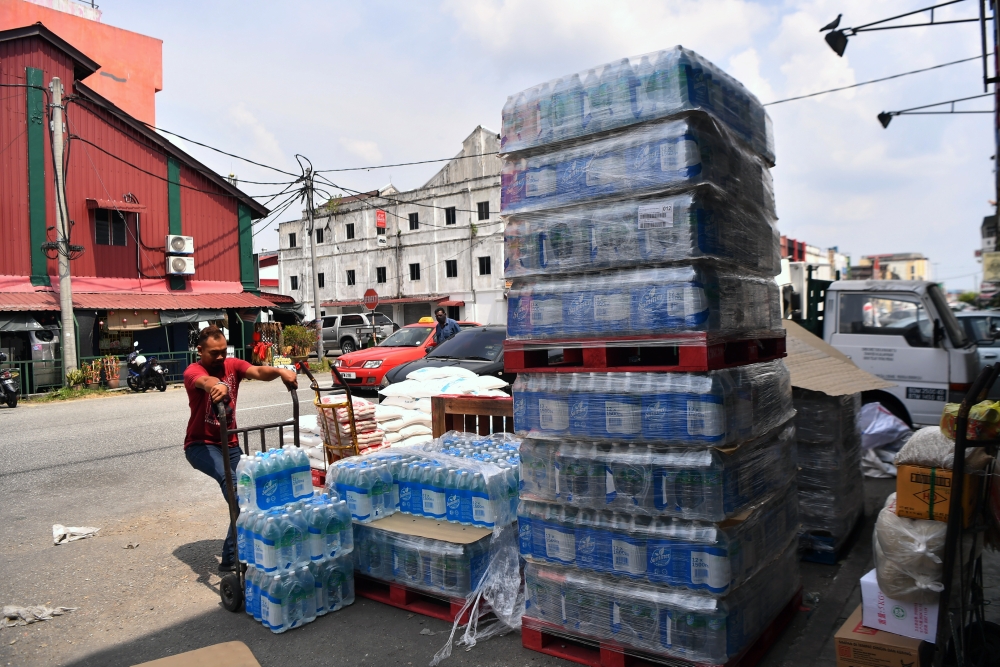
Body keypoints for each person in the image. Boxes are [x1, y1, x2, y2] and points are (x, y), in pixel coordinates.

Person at [183, 325, 298, 572]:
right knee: (234, 488)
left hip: (230, 443)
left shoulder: (232, 365)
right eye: (214, 353)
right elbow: (205, 381)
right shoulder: (193, 371)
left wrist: (279, 371)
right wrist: (218, 385)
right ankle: (235, 558)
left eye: (223, 351)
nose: (220, 357)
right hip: (201, 445)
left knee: (249, 493)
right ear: (200, 350)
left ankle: (234, 555)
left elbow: (257, 370)